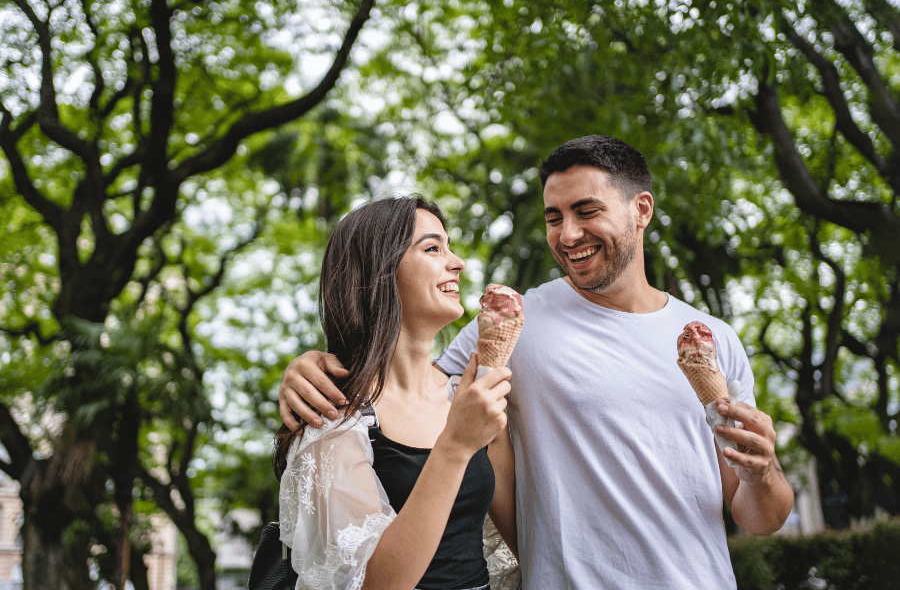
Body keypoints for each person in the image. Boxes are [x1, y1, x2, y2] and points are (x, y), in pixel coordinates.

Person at [279, 135, 795, 589]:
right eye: (554, 218)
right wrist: (314, 365)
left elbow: (757, 517)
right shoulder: (520, 324)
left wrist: (765, 472)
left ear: (642, 209)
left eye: (586, 212)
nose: (568, 234)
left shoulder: (715, 342)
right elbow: (405, 380)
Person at [273, 196, 518, 590]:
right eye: (433, 248)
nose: (458, 262)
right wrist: (454, 446)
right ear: (380, 270)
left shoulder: (467, 398)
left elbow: (525, 541)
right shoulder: (333, 412)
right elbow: (371, 582)